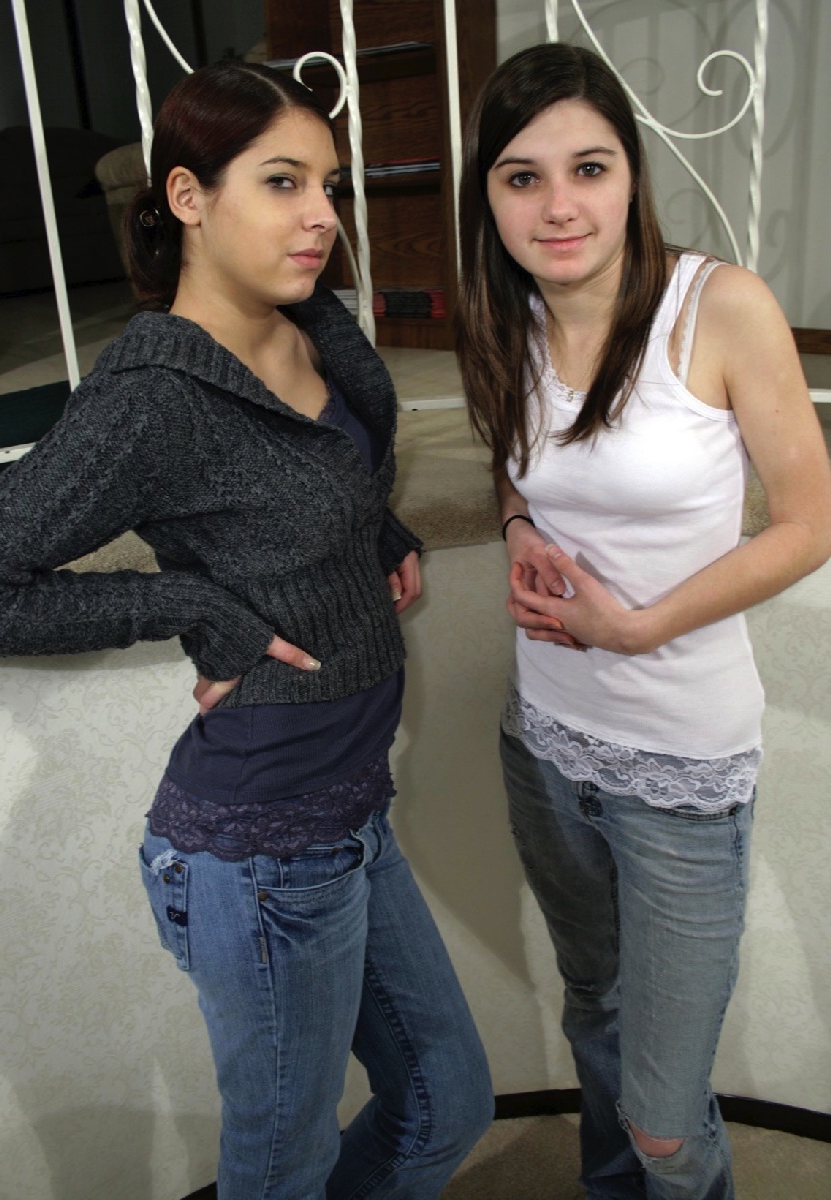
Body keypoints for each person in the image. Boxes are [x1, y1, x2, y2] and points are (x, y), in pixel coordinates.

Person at [0, 61, 493, 1199]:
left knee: (446, 1104)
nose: (322, 214)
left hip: (350, 809)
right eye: (281, 181)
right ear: (188, 197)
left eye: (328, 183)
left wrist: (374, 528)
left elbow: (326, 467)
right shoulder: (151, 398)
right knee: (281, 1169)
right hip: (259, 849)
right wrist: (190, 608)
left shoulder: (315, 323)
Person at [455, 41, 831, 1200]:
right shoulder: (504, 316)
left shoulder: (717, 307)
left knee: (666, 1122)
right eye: (521, 177)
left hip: (678, 764)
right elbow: (517, 463)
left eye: (588, 167)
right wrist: (517, 525)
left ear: (630, 173)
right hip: (543, 742)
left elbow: (808, 524)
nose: (558, 207)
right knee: (597, 1015)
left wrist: (638, 625)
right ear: (487, 195)